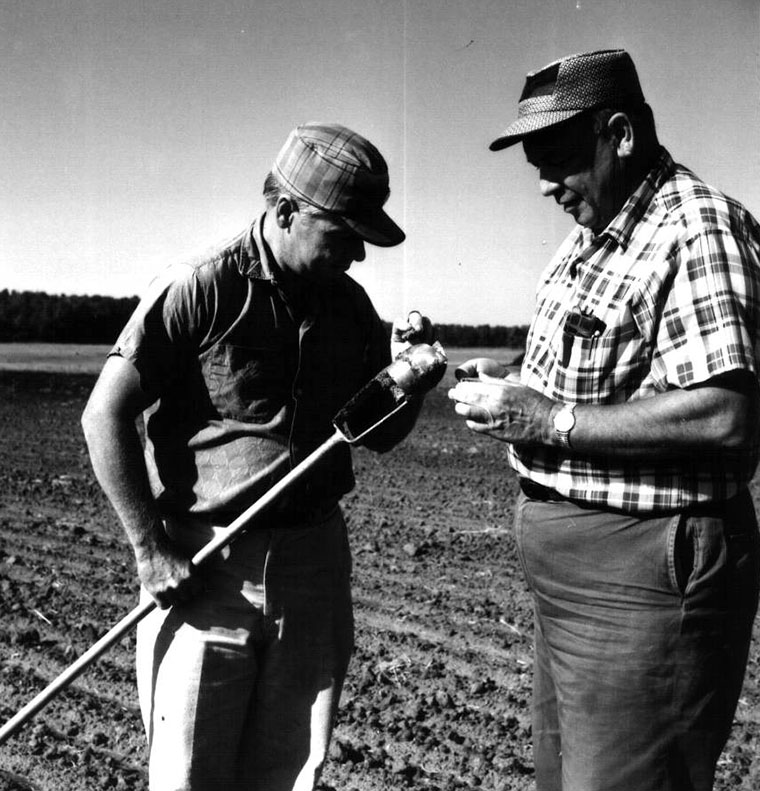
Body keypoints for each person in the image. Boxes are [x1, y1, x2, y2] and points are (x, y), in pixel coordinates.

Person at [81, 122, 434, 791]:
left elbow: (378, 432)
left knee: (291, 774)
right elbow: (105, 414)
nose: (357, 256)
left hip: (312, 565)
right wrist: (149, 549)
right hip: (208, 567)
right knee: (189, 774)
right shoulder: (201, 285)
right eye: (342, 235)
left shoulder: (350, 307)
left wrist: (412, 379)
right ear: (283, 211)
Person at [448, 49, 760, 791]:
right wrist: (516, 393)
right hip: (575, 588)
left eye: (557, 158)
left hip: (645, 584)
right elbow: (605, 380)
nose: (547, 185)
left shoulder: (696, 228)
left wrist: (547, 416)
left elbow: (728, 414)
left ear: (620, 134)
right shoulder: (596, 233)